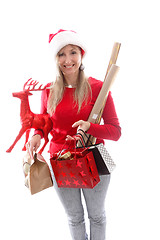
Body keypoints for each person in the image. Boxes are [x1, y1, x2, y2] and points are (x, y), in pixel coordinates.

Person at [27, 29, 121, 240]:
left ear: (81, 55)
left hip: (94, 161)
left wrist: (90, 127)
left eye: (72, 52)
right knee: (74, 218)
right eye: (61, 54)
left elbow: (115, 132)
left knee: (96, 216)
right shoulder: (49, 90)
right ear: (55, 58)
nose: (67, 59)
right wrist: (36, 135)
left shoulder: (98, 88)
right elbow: (44, 123)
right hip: (60, 163)